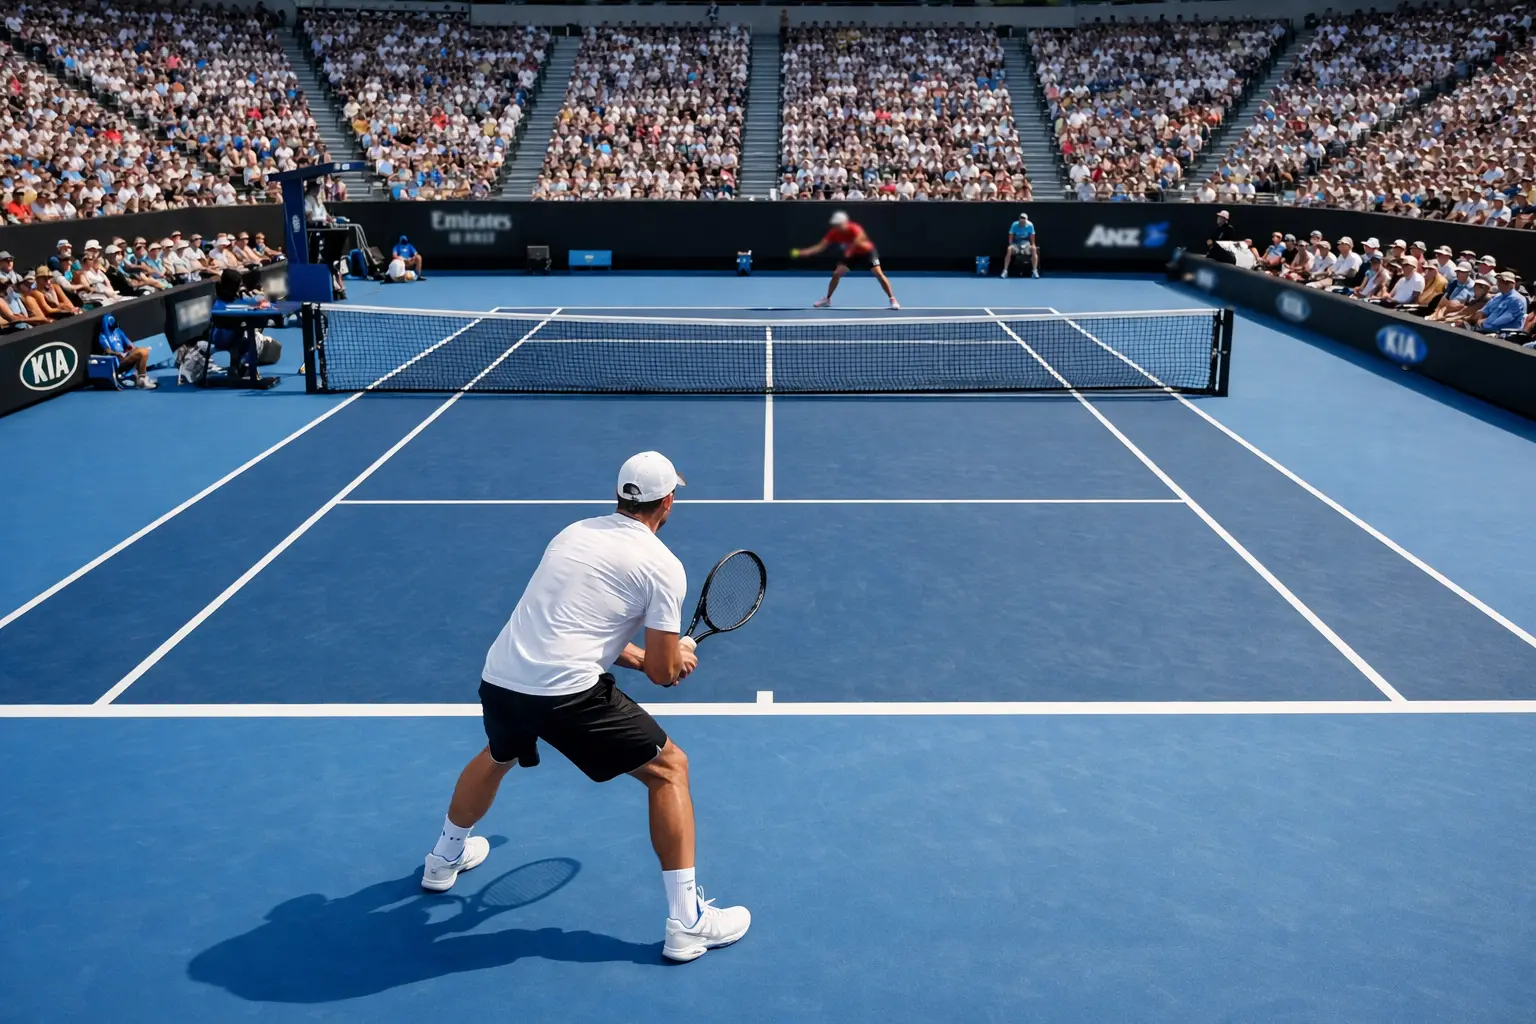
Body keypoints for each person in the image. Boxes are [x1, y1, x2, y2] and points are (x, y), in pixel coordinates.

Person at [421, 452, 750, 964]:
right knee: (669, 770)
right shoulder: (663, 566)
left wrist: (646, 658)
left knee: (498, 755)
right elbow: (666, 674)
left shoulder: (573, 534)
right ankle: (687, 924)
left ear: (621, 496)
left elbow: (577, 626)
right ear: (668, 501)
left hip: (503, 675)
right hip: (566, 691)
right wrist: (675, 656)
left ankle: (442, 859)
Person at [790, 211, 899, 309]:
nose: (836, 226)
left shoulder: (854, 228)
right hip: (851, 256)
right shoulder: (833, 233)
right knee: (836, 274)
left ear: (845, 223)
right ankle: (827, 299)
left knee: (878, 274)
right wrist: (806, 252)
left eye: (838, 224)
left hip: (866, 252)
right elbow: (821, 246)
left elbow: (859, 238)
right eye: (835, 224)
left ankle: (892, 299)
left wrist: (850, 250)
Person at [1001, 212, 1038, 279]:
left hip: (1026, 245)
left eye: (1024, 222)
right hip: (1016, 245)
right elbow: (1011, 235)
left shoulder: (1030, 225)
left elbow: (1032, 236)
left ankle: (1034, 271)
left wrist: (1033, 244)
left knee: (1034, 249)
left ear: (1026, 220)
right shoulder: (1014, 224)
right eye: (1021, 221)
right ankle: (1005, 271)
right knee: (1009, 249)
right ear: (1019, 220)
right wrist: (1011, 244)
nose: (1022, 223)